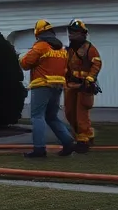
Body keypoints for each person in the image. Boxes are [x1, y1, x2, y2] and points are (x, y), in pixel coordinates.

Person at [19, 20, 76, 159]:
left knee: (37, 116)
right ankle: (68, 142)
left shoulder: (41, 46)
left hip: (42, 85)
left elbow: (26, 64)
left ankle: (39, 149)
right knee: (51, 116)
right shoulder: (61, 49)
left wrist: (21, 57)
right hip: (57, 86)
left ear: (38, 33)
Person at [64, 19, 102, 153]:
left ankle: (83, 140)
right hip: (70, 85)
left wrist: (90, 78)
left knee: (81, 114)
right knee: (69, 113)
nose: (71, 35)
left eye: (75, 32)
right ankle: (85, 134)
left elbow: (97, 64)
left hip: (84, 86)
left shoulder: (90, 49)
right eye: (70, 32)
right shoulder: (69, 50)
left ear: (83, 34)